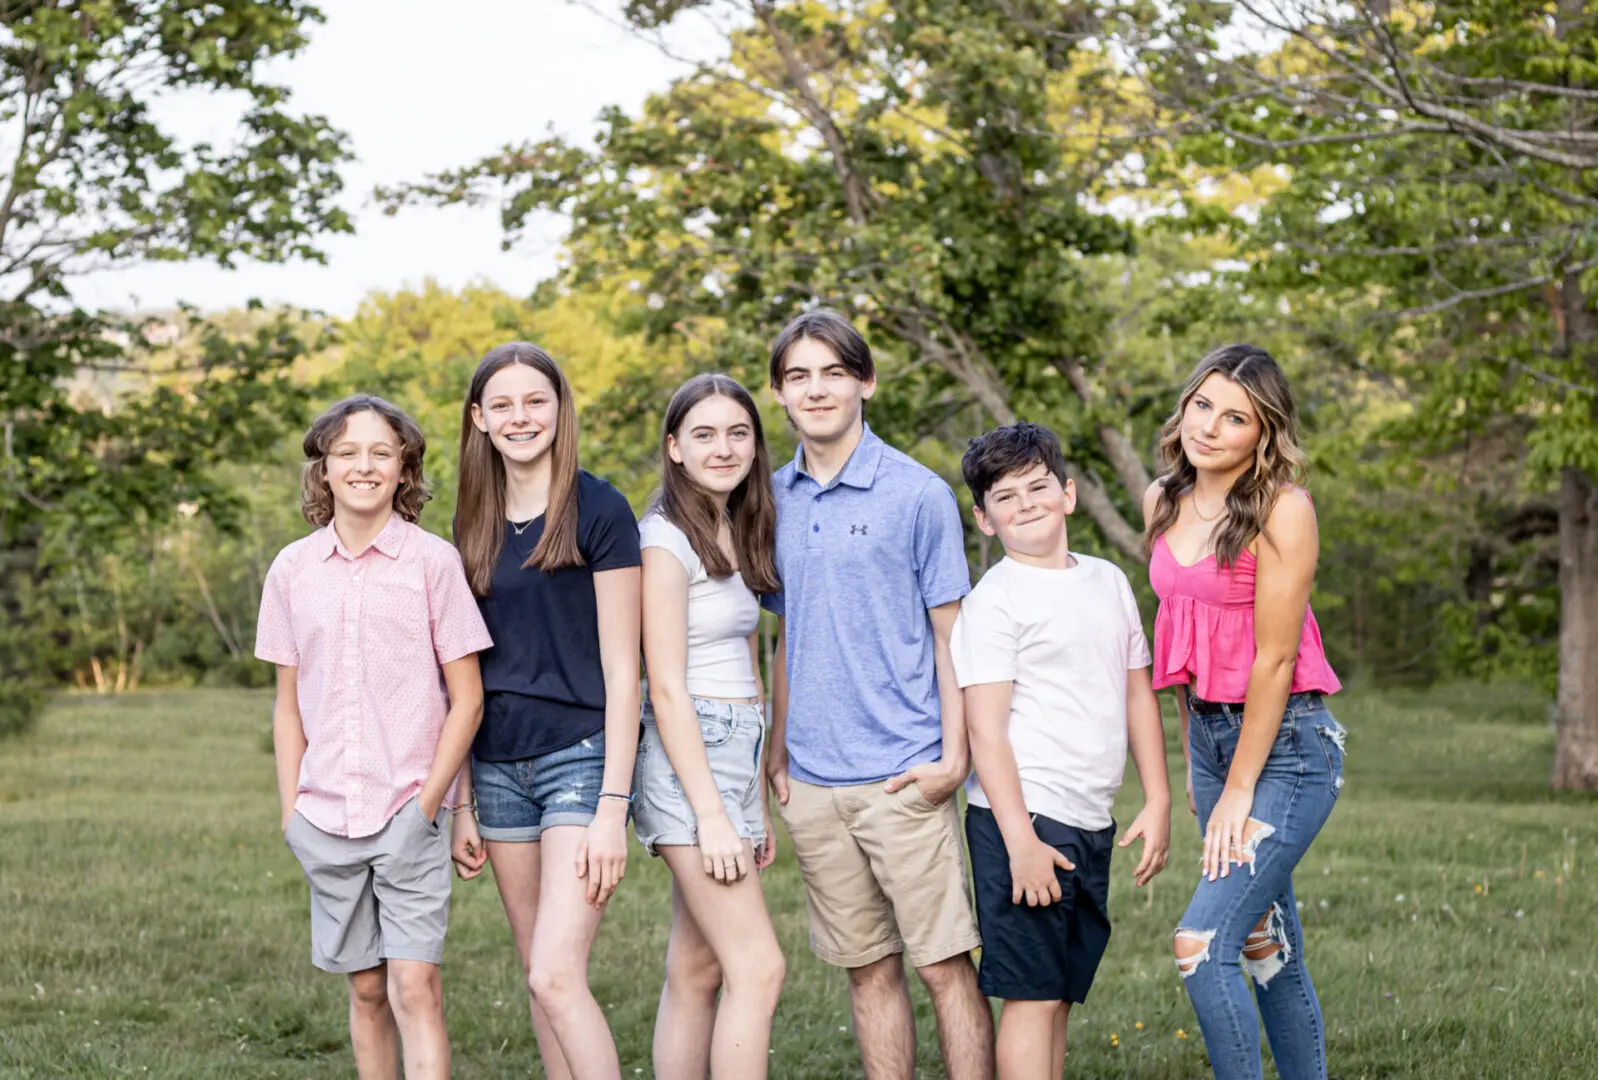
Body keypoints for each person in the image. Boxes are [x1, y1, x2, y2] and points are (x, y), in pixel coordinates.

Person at [762, 310, 994, 1080]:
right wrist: (777, 754)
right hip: (815, 783)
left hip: (905, 773)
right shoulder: (769, 499)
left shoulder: (917, 495)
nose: (817, 389)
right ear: (780, 394)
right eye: (799, 376)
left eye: (833, 372)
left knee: (944, 967)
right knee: (867, 970)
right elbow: (789, 635)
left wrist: (952, 760)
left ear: (866, 381)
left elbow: (949, 636)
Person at [257, 394, 492, 1080]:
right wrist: (291, 813)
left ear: (404, 469)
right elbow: (286, 707)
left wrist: (436, 808)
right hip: (324, 815)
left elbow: (467, 698)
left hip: (408, 810)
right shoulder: (292, 571)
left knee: (415, 987)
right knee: (365, 988)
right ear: (323, 469)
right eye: (348, 453)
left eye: (381, 453)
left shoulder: (433, 563)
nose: (364, 466)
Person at [1144, 345, 1346, 1080]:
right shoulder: (1160, 501)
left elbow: (1274, 660)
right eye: (1203, 405)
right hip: (1210, 739)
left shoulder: (1282, 509)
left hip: (1287, 747)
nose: (1211, 427)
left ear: (1263, 434)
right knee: (1265, 948)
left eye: (1236, 418)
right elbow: (1182, 648)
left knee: (1201, 945)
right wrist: (1202, 767)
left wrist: (1237, 789)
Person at [448, 342, 642, 1080]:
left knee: (555, 973)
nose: (520, 416)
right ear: (479, 418)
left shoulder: (599, 509)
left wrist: (611, 806)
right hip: (496, 766)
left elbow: (627, 670)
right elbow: (461, 675)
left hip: (581, 756)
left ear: (560, 410)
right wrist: (463, 802)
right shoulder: (471, 518)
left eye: (536, 401)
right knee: (539, 972)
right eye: (502, 404)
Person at [954, 422, 1171, 1080]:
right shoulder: (995, 603)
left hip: (1089, 816)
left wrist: (1158, 796)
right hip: (1023, 820)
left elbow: (1138, 694)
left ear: (1068, 494)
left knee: (1060, 993)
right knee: (1031, 996)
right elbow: (985, 730)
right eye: (1006, 497)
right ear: (984, 519)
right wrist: (1019, 840)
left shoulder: (1107, 582)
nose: (1026, 504)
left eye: (1038, 487)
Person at [633, 373, 787, 1080]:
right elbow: (664, 686)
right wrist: (712, 817)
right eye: (704, 434)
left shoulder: (737, 524)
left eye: (738, 433)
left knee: (697, 970)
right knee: (758, 969)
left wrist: (751, 802)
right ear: (674, 447)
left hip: (732, 754)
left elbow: (746, 666)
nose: (723, 448)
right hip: (688, 757)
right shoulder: (664, 539)